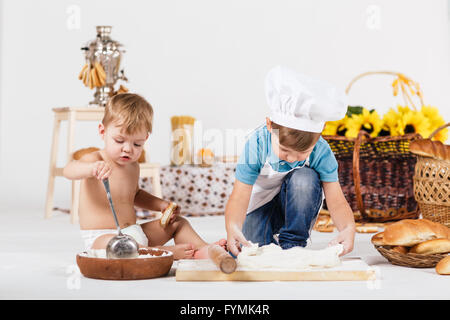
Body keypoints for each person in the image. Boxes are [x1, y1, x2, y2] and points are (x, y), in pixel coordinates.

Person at [63, 93, 224, 259]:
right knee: (110, 242)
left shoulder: (133, 166)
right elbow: (69, 170)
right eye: (119, 141)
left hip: (135, 232)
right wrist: (90, 168)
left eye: (137, 144)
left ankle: (203, 250)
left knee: (178, 223)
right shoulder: (96, 160)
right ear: (102, 132)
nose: (128, 149)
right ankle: (163, 253)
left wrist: (161, 205)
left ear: (145, 138)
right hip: (103, 239)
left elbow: (135, 195)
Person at [225, 66, 355, 257]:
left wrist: (348, 228)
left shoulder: (321, 151)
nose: (292, 158)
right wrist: (232, 226)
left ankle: (292, 245)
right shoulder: (257, 144)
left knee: (305, 177)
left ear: (321, 132)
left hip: (295, 206)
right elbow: (239, 195)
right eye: (284, 150)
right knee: (251, 252)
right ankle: (268, 240)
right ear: (270, 125)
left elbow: (336, 199)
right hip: (257, 207)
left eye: (303, 152)